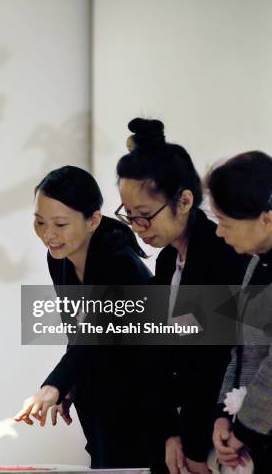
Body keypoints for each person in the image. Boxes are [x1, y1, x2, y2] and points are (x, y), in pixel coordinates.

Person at [115, 118, 247, 474]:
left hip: (221, 437)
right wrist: (169, 432)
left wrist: (193, 442)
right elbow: (160, 357)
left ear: (184, 200)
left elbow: (215, 361)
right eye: (129, 217)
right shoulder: (168, 261)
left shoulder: (223, 256)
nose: (138, 229)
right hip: (183, 433)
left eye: (144, 216)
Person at [14, 166, 163, 470]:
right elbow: (78, 335)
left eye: (60, 224)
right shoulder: (59, 259)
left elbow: (96, 333)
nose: (48, 235)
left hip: (141, 396)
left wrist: (53, 385)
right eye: (39, 222)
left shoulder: (120, 263)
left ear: (93, 220)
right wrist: (71, 384)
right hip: (100, 395)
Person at [207, 151, 272, 474]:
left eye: (225, 223)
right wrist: (224, 413)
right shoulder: (255, 263)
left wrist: (244, 429)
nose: (220, 232)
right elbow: (241, 348)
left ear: (267, 218)